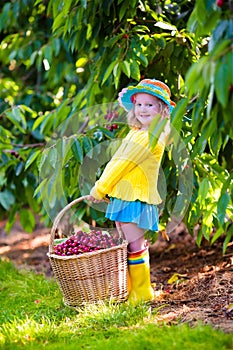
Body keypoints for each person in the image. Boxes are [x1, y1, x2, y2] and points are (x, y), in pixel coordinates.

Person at [89, 78, 176, 304]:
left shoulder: (149, 137)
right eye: (139, 104)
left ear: (161, 110)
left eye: (150, 105)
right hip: (126, 196)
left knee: (135, 244)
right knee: (129, 243)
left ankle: (142, 292)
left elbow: (122, 164)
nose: (143, 109)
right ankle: (132, 290)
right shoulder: (137, 133)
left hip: (135, 198)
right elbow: (118, 160)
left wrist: (99, 188)